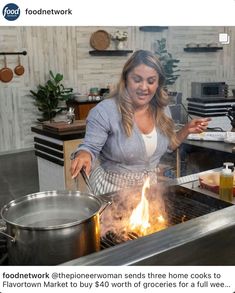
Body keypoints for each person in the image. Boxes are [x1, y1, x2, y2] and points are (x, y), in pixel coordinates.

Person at [70, 50, 210, 195]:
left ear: (158, 84)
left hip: (148, 191)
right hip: (110, 190)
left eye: (151, 81)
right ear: (126, 80)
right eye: (137, 80)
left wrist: (186, 130)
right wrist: (84, 154)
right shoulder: (105, 111)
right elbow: (90, 147)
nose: (144, 87)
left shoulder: (162, 110)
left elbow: (168, 146)